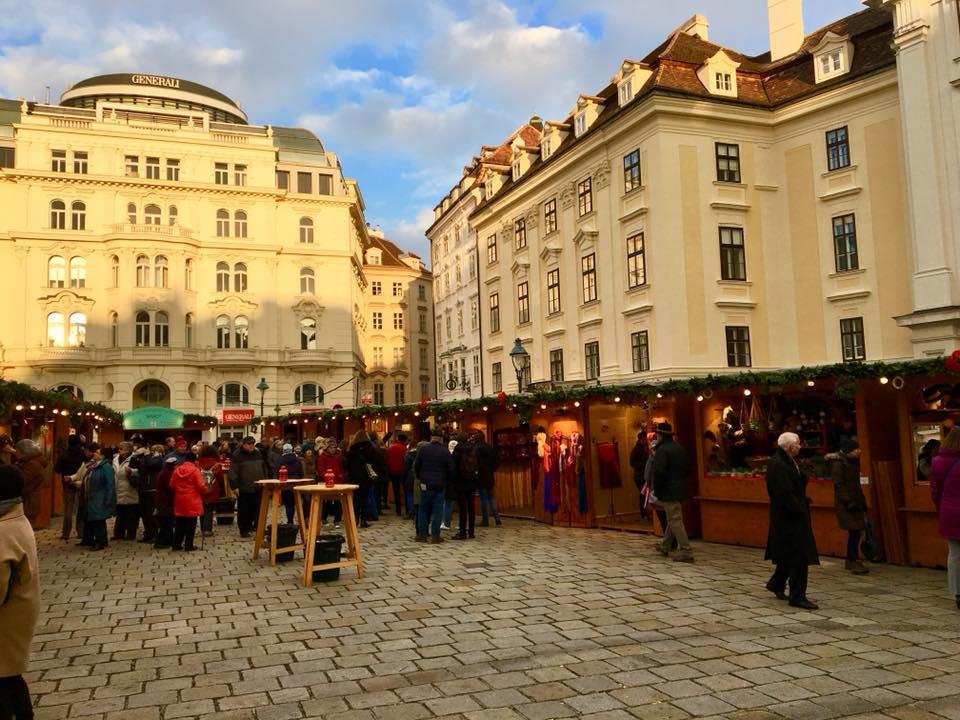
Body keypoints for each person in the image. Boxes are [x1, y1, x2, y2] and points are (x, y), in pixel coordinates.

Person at [0, 465, 41, 719]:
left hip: (6, 619)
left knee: (4, 682)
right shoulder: (16, 516)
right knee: (10, 678)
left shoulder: (3, 529)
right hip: (18, 616)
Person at [764, 432, 820, 609]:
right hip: (789, 516)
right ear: (789, 446)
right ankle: (797, 596)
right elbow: (784, 494)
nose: (800, 446)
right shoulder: (780, 464)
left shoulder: (787, 460)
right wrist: (799, 508)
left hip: (789, 514)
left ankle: (777, 583)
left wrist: (803, 499)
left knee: (789, 552)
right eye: (797, 443)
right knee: (799, 556)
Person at [651, 422, 693, 563]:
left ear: (660, 435)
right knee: (673, 517)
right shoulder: (679, 448)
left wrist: (656, 489)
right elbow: (688, 468)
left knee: (674, 519)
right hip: (680, 488)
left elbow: (659, 472)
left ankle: (686, 550)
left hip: (669, 489)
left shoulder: (662, 451)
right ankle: (665, 546)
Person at [929, 427, 960, 610]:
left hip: (948, 512)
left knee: (955, 554)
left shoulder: (937, 462)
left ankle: (957, 592)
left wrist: (942, 508)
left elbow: (935, 491)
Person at [828, 439, 869, 575]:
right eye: (855, 449)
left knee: (856, 531)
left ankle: (852, 558)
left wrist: (862, 502)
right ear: (848, 451)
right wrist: (848, 501)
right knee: (854, 530)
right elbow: (839, 485)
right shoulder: (839, 463)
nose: (859, 451)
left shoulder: (852, 462)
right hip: (846, 504)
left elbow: (855, 485)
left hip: (855, 501)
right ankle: (851, 559)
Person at [414, 433, 452, 543]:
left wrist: (420, 477)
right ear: (441, 440)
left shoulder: (423, 449)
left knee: (423, 509)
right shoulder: (445, 451)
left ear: (431, 439)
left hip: (425, 484)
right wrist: (446, 480)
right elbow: (451, 468)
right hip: (439, 484)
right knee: (437, 511)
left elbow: (417, 465)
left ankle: (422, 534)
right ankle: (435, 536)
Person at [229, 436, 270, 538]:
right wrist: (234, 486)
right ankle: (244, 529)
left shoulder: (258, 453)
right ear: (244, 444)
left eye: (252, 443)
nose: (251, 445)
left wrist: (265, 480)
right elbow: (233, 471)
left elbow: (264, 467)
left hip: (258, 486)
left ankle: (257, 527)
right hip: (244, 487)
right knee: (244, 510)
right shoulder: (237, 455)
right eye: (249, 444)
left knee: (257, 509)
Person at [169, 452, 208, 551]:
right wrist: (206, 490)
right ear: (195, 460)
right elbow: (201, 486)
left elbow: (172, 485)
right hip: (192, 500)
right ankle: (188, 545)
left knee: (179, 523)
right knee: (191, 524)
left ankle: (176, 544)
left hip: (180, 500)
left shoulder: (177, 470)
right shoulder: (195, 471)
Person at [55, 435, 86, 542]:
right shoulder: (83, 453)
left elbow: (57, 469)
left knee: (68, 510)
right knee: (79, 508)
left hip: (67, 483)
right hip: (81, 483)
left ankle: (66, 533)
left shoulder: (64, 454)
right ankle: (81, 532)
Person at [85, 445, 116, 551]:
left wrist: (108, 498)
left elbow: (110, 484)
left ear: (102, 456)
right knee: (96, 520)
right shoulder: (94, 465)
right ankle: (99, 540)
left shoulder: (106, 467)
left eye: (97, 453)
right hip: (93, 496)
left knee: (98, 520)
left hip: (100, 497)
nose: (95, 454)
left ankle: (100, 542)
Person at [345, 430, 377, 528]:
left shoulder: (352, 448)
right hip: (365, 477)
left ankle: (355, 519)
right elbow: (374, 461)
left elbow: (347, 464)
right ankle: (363, 520)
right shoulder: (370, 447)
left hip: (354, 477)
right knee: (365, 499)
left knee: (355, 499)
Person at [14, 440, 48, 528]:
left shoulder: (33, 464)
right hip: (29, 502)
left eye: (17, 451)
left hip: (28, 503)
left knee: (23, 530)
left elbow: (21, 480)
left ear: (24, 452)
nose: (15, 453)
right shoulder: (32, 463)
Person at [451, 434, 478, 540]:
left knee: (462, 508)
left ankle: (462, 532)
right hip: (471, 481)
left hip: (460, 482)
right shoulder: (472, 450)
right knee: (471, 506)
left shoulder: (456, 452)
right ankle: (471, 531)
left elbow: (453, 468)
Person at [112, 442, 139, 541]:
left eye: (121, 448)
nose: (119, 450)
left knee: (130, 514)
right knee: (120, 513)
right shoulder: (115, 459)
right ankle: (119, 533)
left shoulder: (134, 459)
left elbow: (139, 471)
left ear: (128, 450)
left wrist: (131, 472)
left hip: (129, 489)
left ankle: (131, 534)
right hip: (118, 488)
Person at [316, 437, 344, 527]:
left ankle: (337, 520)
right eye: (330, 447)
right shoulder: (323, 457)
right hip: (327, 481)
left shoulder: (339, 456)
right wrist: (325, 477)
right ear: (327, 448)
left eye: (334, 447)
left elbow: (342, 467)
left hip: (337, 481)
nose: (332, 449)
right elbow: (321, 469)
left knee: (337, 501)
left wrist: (341, 475)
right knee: (326, 501)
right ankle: (324, 518)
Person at [475, 431, 501, 527]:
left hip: (481, 476)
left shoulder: (476, 450)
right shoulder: (490, 448)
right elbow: (497, 461)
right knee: (491, 497)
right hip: (489, 475)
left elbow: (475, 463)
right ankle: (497, 518)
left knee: (483, 499)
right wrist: (492, 469)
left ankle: (485, 520)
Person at [196, 445, 222, 537]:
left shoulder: (198, 463)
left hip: (201, 489)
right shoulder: (216, 464)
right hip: (212, 489)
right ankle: (208, 530)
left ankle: (203, 528)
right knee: (209, 509)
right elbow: (220, 477)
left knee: (202, 509)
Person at [153, 455, 177, 548]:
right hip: (166, 502)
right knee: (166, 523)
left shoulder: (164, 472)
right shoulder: (169, 473)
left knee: (166, 522)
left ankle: (169, 540)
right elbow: (171, 487)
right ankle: (162, 541)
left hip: (162, 501)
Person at [277, 443, 304, 524]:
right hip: (296, 482)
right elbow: (301, 473)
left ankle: (290, 520)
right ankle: (301, 521)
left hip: (285, 483)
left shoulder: (280, 460)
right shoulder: (297, 460)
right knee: (298, 503)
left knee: (288, 504)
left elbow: (277, 472)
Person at [386, 433, 409, 516]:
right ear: (405, 440)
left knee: (396, 491)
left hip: (393, 472)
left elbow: (387, 461)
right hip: (402, 472)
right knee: (406, 491)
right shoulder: (404, 449)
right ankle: (407, 510)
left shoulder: (391, 448)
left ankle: (398, 510)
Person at [629, 431, 648, 497]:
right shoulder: (637, 449)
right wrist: (646, 463)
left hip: (641, 475)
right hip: (640, 476)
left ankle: (643, 507)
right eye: (644, 439)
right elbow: (632, 463)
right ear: (640, 440)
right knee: (643, 495)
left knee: (644, 495)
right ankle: (643, 507)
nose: (646, 441)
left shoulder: (643, 448)